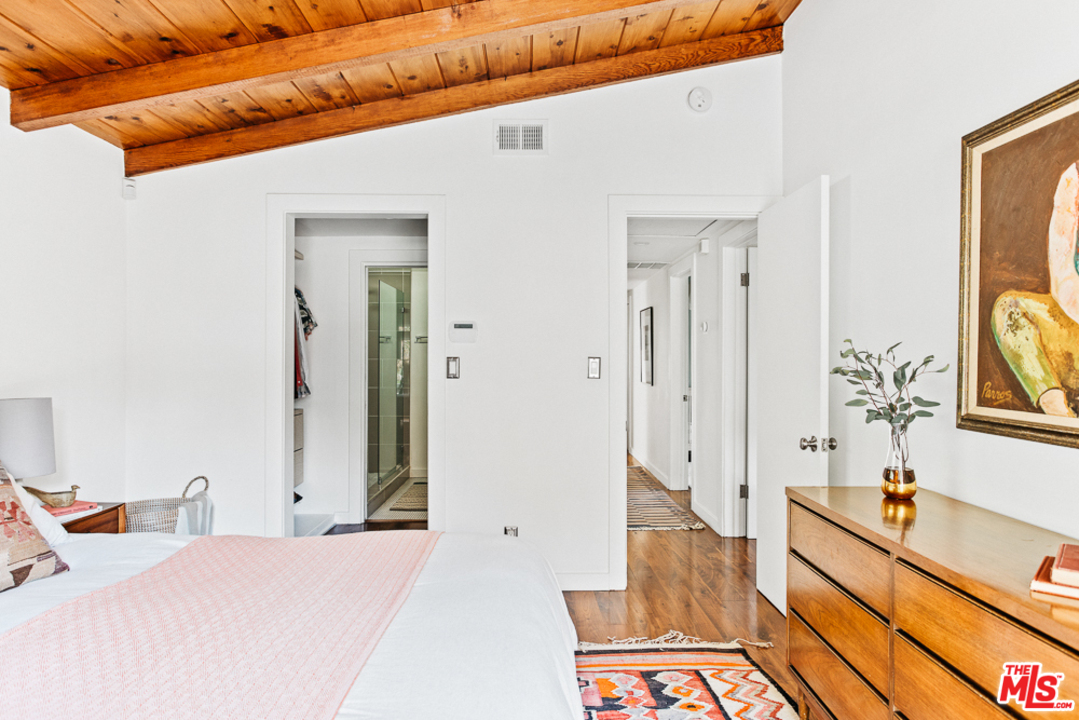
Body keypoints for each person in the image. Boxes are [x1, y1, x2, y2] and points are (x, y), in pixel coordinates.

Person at [992, 162, 1079, 417]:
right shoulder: (1073, 180)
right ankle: (1060, 417)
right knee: (1009, 308)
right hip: (1073, 327)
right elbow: (1063, 277)